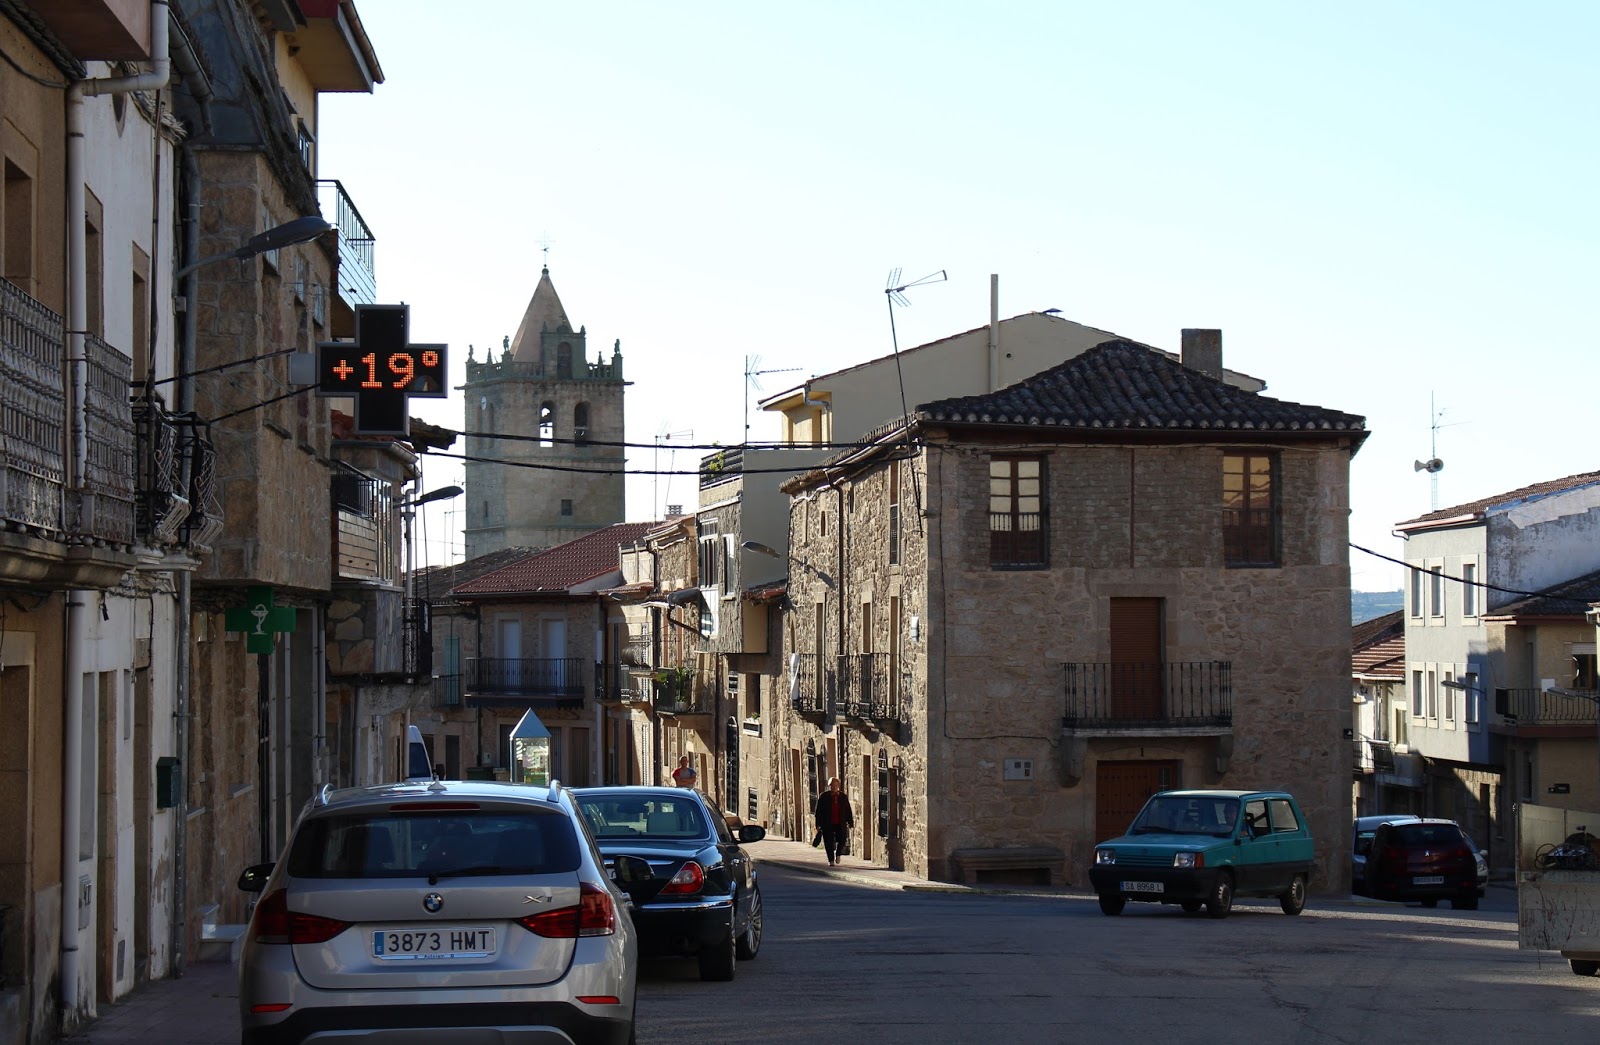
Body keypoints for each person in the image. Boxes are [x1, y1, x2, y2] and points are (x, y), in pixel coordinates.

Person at [814, 777, 854, 866]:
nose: (834, 787)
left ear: (838, 786)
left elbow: (848, 810)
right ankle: (831, 860)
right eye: (832, 785)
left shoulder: (843, 797)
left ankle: (838, 853)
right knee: (828, 842)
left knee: (842, 839)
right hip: (827, 823)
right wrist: (818, 824)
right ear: (829, 786)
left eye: (836, 785)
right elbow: (818, 811)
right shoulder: (823, 797)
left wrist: (850, 821)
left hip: (840, 823)